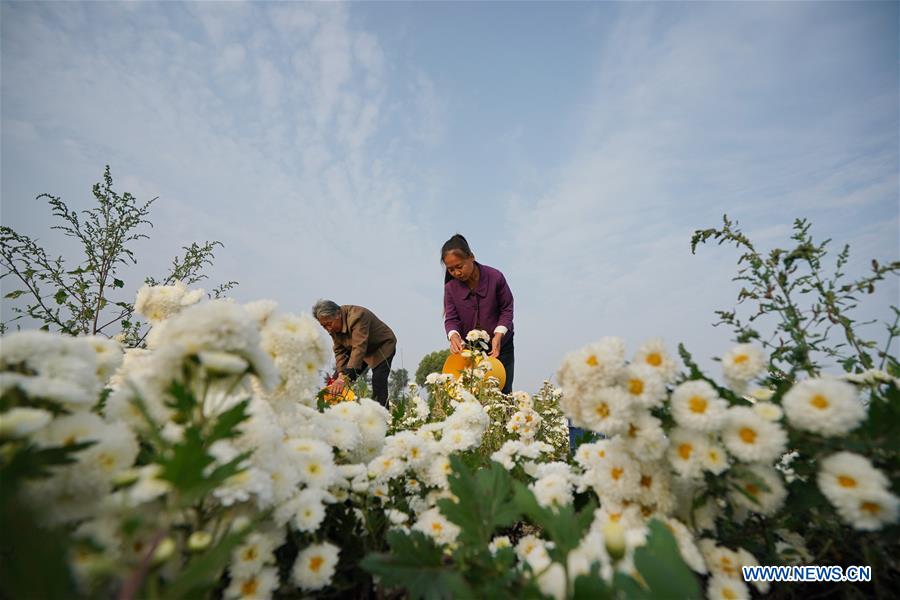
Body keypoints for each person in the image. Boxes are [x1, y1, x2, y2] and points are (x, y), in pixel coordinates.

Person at [441, 234, 515, 393]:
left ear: (471, 257)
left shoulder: (495, 277)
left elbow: (507, 309)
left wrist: (498, 335)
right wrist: (453, 336)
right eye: (451, 269)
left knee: (503, 393)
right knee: (475, 394)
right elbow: (451, 318)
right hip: (472, 350)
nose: (456, 273)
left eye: (459, 266)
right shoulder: (450, 288)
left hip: (501, 346)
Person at [313, 299, 397, 407]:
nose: (328, 330)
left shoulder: (358, 316)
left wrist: (343, 378)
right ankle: (332, 412)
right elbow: (340, 351)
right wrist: (341, 375)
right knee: (335, 382)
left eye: (329, 324)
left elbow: (359, 347)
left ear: (338, 314)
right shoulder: (333, 327)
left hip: (380, 346)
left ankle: (381, 417)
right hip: (358, 350)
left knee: (378, 380)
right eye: (324, 326)